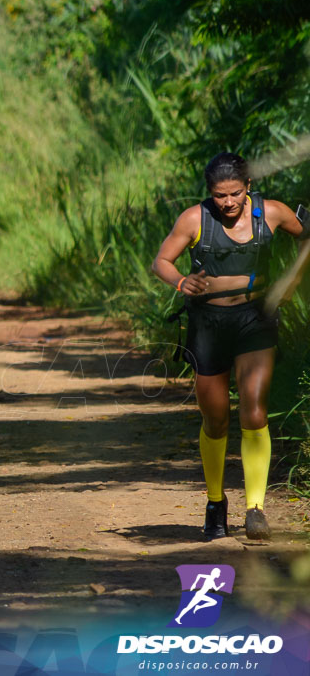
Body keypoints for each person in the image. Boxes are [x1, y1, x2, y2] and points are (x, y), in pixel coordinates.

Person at [152, 152, 310, 541]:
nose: (227, 203)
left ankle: (255, 508)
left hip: (255, 319)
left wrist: (291, 280)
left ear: (248, 187)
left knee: (254, 410)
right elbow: (162, 261)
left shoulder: (271, 213)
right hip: (207, 323)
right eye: (219, 195)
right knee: (216, 417)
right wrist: (180, 282)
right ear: (210, 193)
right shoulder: (194, 219)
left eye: (235, 194)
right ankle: (215, 502)